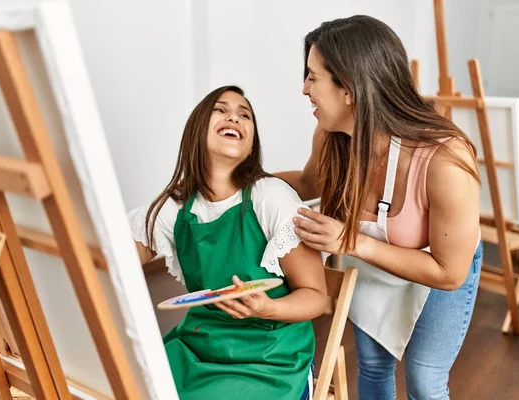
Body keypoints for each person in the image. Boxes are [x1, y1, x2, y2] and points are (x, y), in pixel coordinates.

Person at [276, 15, 483, 400]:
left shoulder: (446, 160)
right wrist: (240, 178)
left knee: (423, 378)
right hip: (370, 257)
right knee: (372, 365)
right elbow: (308, 183)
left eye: (312, 76)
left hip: (439, 262)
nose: (304, 89)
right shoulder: (333, 137)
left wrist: (353, 243)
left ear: (350, 88)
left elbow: (449, 272)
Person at [129, 85, 327, 399]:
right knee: (130, 383)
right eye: (220, 110)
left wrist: (266, 308)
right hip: (199, 347)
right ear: (197, 131)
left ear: (250, 146)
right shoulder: (176, 206)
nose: (233, 116)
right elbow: (114, 259)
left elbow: (317, 297)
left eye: (244, 114)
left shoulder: (271, 196)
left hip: (269, 360)